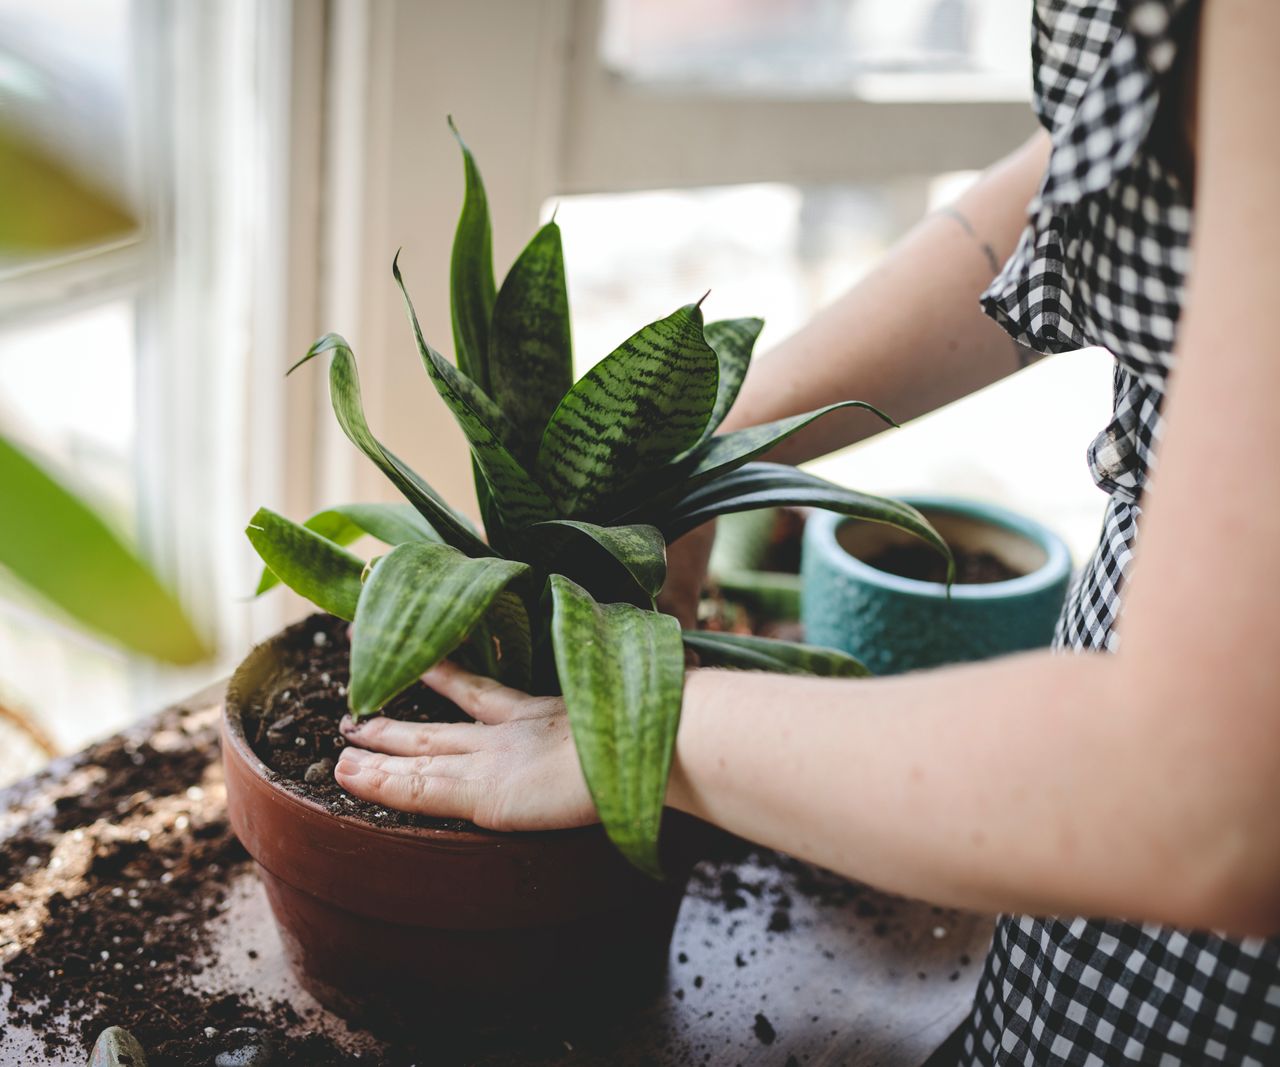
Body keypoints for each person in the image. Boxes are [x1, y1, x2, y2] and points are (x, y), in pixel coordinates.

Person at [332, 1, 1280, 1062]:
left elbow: (1198, 798)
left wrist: (634, 726)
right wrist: (709, 452)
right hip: (1067, 930)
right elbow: (1110, 171)